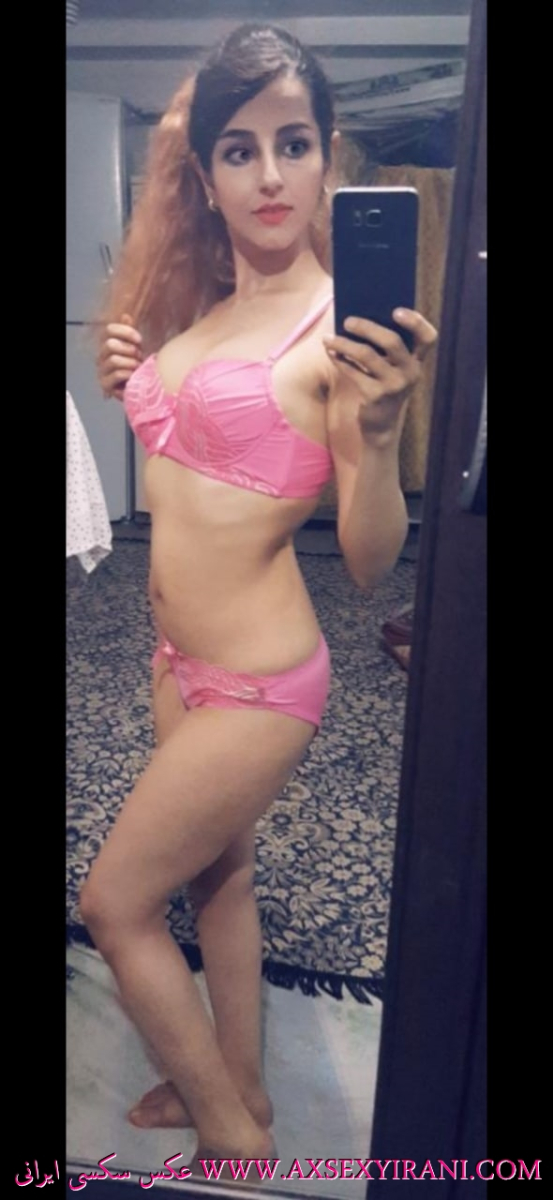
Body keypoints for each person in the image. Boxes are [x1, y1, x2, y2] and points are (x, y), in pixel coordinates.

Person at [85, 22, 437, 1163]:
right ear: (206, 177)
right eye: (239, 150)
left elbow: (372, 562)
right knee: (219, 880)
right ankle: (236, 1083)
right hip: (174, 659)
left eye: (293, 142)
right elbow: (194, 470)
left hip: (259, 679)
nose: (270, 174)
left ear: (328, 157)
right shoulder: (205, 314)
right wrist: (137, 381)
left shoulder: (340, 332)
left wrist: (374, 438)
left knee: (114, 904)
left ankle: (237, 1149)